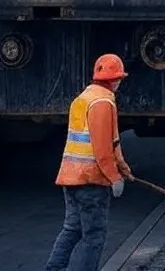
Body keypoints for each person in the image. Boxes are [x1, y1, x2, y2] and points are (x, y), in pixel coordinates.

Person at [45, 54, 134, 271]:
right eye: (119, 78)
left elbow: (113, 144)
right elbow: (102, 148)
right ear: (115, 80)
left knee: (72, 229)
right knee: (94, 235)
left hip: (71, 177)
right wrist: (114, 178)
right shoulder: (103, 102)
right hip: (91, 180)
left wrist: (123, 169)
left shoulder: (83, 98)